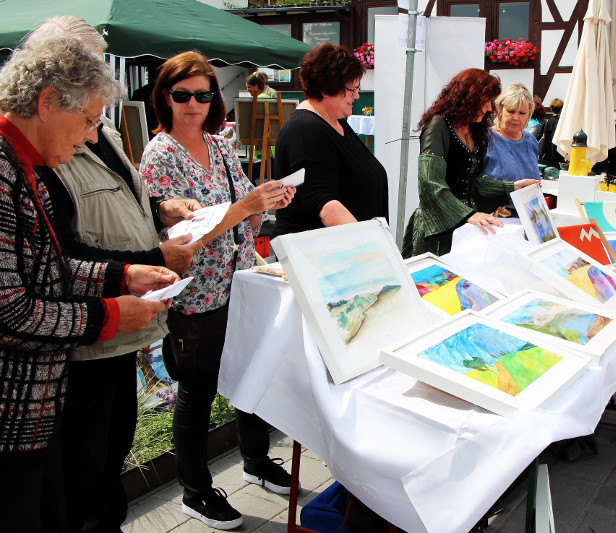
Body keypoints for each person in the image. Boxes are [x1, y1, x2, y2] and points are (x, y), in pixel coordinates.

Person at [22, 16, 202, 533]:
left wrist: (163, 211)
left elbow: (126, 200)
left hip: (115, 324)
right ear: (51, 86)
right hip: (82, 335)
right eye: (88, 65)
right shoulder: (39, 146)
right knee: (81, 466)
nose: (99, 75)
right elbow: (54, 257)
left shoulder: (96, 125)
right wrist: (130, 274)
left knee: (111, 451)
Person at [140, 51, 296, 530]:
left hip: (243, 280)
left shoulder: (220, 144)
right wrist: (240, 208)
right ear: (164, 97)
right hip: (197, 292)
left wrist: (264, 201)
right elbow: (177, 244)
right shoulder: (159, 154)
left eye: (203, 95)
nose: (193, 104)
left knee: (251, 375)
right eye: (182, 95)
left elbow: (245, 202)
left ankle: (254, 459)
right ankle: (195, 490)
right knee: (198, 391)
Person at [401, 69, 537, 257]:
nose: (490, 108)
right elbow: (430, 183)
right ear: (469, 98)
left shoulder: (475, 130)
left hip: (466, 230)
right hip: (439, 229)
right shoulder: (438, 125)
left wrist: (512, 187)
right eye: (486, 101)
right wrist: (467, 215)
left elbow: (473, 182)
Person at [274, 43, 388, 235]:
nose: (357, 95)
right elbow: (324, 202)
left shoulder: (334, 121)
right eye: (352, 89)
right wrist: (371, 243)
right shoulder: (307, 130)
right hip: (321, 255)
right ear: (327, 89)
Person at [484, 83, 541, 182]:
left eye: (522, 113)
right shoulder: (485, 138)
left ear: (528, 114)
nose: (516, 118)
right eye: (511, 111)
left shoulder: (531, 141)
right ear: (500, 109)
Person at [538, 97, 565, 168]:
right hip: (561, 154)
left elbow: (539, 136)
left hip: (548, 154)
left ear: (551, 109)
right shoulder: (564, 123)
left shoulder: (547, 121)